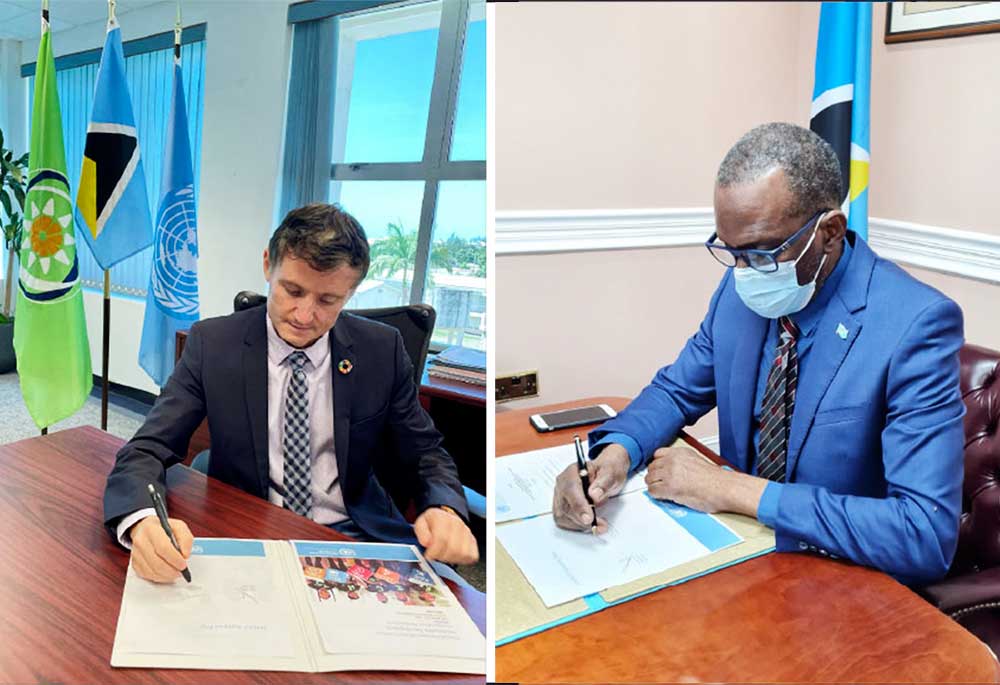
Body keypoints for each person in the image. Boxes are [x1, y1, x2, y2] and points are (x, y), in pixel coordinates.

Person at [552, 122, 965, 585]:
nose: (744, 271)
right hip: (742, 565)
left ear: (830, 232)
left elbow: (923, 535)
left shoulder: (916, 324)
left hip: (843, 581)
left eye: (762, 254)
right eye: (731, 252)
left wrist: (734, 489)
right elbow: (676, 391)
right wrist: (616, 454)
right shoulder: (740, 288)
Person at [104, 203, 478, 583]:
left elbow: (425, 451)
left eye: (327, 300)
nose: (303, 315)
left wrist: (445, 508)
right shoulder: (213, 344)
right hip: (251, 533)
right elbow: (146, 449)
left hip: (354, 538)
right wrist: (142, 521)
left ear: (350, 291)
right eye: (292, 290)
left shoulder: (381, 350)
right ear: (268, 265)